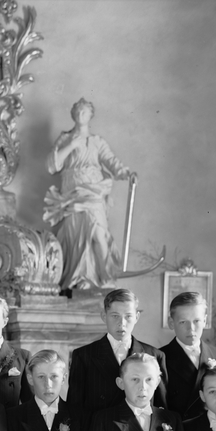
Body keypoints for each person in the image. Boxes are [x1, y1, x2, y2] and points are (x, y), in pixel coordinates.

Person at [43, 97, 134, 291]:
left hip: (93, 191)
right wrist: (71, 146)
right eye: (77, 110)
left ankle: (105, 278)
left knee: (98, 234)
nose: (80, 114)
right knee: (75, 237)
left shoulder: (97, 142)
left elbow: (111, 161)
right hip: (71, 195)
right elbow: (52, 166)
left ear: (90, 116)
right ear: (72, 114)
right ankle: (79, 279)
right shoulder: (65, 139)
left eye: (84, 111)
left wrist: (126, 173)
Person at [67, 289, 168, 416]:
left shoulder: (155, 355)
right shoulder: (83, 355)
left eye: (128, 316)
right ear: (104, 316)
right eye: (115, 316)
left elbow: (161, 409)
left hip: (140, 427)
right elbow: (74, 407)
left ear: (137, 317)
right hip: (98, 427)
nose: (122, 323)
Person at [159, 291, 216, 421]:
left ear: (205, 321)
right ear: (171, 323)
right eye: (183, 322)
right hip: (178, 429)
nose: (191, 328)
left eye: (196, 321)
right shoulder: (159, 357)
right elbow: (159, 406)